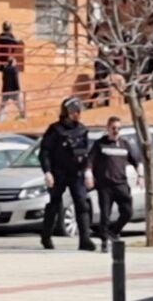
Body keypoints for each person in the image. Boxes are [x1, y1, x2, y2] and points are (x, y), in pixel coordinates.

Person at [39, 97, 96, 251]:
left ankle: (85, 240)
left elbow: (86, 153)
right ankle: (46, 236)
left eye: (79, 111)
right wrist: (47, 172)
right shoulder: (55, 130)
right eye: (75, 111)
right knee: (54, 205)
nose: (78, 114)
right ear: (68, 112)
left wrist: (88, 171)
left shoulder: (82, 130)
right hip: (59, 173)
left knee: (82, 204)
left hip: (76, 173)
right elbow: (44, 152)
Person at [86, 116, 141, 253]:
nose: (116, 131)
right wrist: (89, 175)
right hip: (105, 186)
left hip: (121, 184)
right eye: (113, 128)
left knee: (127, 212)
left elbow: (136, 162)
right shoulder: (100, 144)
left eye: (118, 128)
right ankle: (104, 241)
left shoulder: (125, 144)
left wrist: (140, 176)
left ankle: (114, 232)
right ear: (108, 128)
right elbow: (90, 161)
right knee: (105, 215)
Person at [0, 57, 25, 122]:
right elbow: (16, 79)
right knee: (20, 105)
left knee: (2, 107)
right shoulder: (15, 69)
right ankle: (24, 117)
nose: (16, 63)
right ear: (13, 62)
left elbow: (3, 79)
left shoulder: (5, 69)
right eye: (15, 62)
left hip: (5, 90)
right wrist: (18, 88)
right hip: (14, 90)